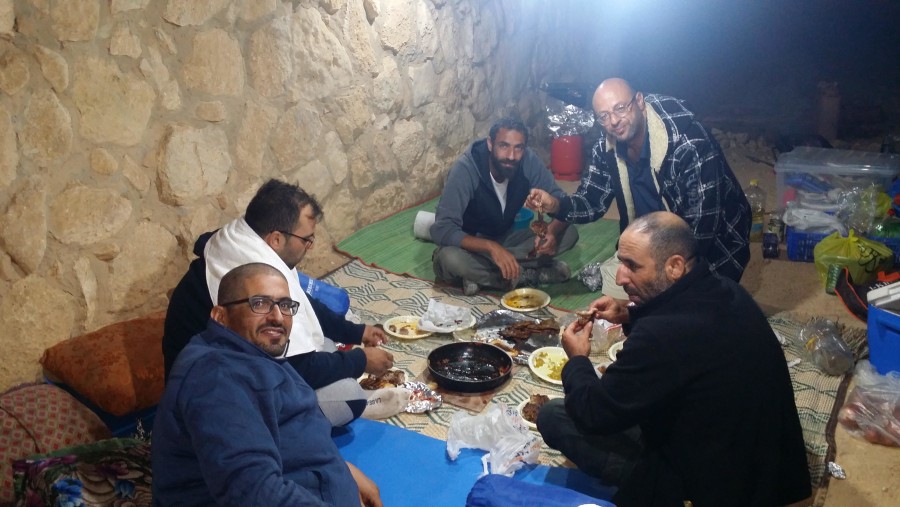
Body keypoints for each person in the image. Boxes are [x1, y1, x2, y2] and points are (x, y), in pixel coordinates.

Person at [537, 212, 811, 506]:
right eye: (621, 262)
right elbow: (680, 328)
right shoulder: (726, 289)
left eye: (632, 266)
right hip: (770, 465)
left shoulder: (660, 335)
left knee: (555, 416)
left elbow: (593, 414)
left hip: (716, 485)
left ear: (675, 266)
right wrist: (629, 313)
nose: (619, 277)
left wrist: (577, 359)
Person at [163, 179, 394, 426]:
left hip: (244, 370)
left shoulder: (245, 242)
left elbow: (303, 305)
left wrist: (357, 332)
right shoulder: (252, 276)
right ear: (276, 239)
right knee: (349, 397)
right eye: (307, 239)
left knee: (324, 344)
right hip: (219, 400)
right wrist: (360, 360)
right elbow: (293, 366)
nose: (310, 247)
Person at [153, 263, 383, 506]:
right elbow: (254, 493)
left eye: (285, 305)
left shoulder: (251, 353)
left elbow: (295, 431)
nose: (277, 317)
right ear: (220, 316)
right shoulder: (217, 380)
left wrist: (340, 469)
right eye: (260, 304)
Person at [526, 78, 750, 299]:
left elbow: (699, 232)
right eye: (604, 116)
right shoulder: (606, 148)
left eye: (620, 108)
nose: (614, 121)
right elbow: (591, 202)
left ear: (640, 101)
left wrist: (657, 276)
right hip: (652, 241)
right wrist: (555, 204)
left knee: (682, 318)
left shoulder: (689, 145)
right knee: (621, 295)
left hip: (712, 247)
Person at [431, 117, 579, 296]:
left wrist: (552, 232)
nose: (511, 156)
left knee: (569, 232)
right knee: (448, 260)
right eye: (503, 146)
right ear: (490, 144)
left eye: (518, 148)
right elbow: (442, 229)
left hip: (508, 239)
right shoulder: (466, 169)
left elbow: (561, 202)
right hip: (471, 247)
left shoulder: (527, 161)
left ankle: (484, 276)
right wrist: (492, 248)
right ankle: (529, 275)